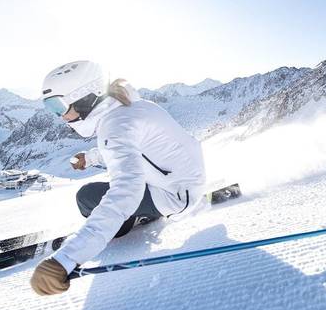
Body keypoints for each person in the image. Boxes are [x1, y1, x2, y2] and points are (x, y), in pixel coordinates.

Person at [30, 60, 207, 296]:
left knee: (86, 197)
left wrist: (67, 258)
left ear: (84, 96)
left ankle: (123, 226)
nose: (59, 116)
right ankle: (136, 213)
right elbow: (136, 150)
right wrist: (90, 158)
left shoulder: (115, 125)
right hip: (182, 181)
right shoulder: (132, 107)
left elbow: (125, 191)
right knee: (99, 192)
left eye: (57, 105)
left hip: (174, 197)